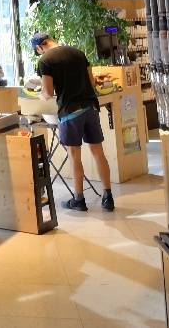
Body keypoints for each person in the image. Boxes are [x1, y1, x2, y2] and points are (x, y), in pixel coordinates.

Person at [32, 32, 114, 212]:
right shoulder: (78, 52)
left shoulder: (45, 60)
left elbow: (48, 92)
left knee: (74, 156)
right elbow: (92, 81)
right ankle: (108, 197)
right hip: (90, 107)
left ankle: (79, 200)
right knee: (98, 152)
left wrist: (40, 95)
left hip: (70, 111)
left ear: (39, 47)